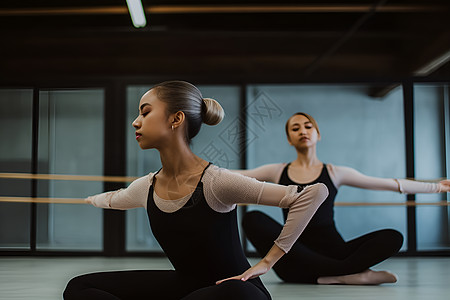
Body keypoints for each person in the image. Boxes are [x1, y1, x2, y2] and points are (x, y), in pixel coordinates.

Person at [63, 82, 328, 300]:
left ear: (176, 118)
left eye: (145, 112)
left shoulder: (217, 181)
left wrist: (266, 263)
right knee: (79, 287)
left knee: (237, 294)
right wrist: (91, 199)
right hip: (186, 287)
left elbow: (313, 194)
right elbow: (114, 199)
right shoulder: (146, 187)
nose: (135, 122)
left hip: (234, 291)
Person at [237, 112, 450, 285]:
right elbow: (236, 176)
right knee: (252, 218)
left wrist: (437, 187)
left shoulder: (335, 172)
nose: (303, 130)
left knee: (393, 237)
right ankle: (348, 274)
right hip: (294, 252)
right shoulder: (277, 171)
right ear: (289, 139)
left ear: (318, 134)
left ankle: (333, 274)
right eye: (295, 128)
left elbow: (389, 183)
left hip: (333, 251)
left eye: (308, 126)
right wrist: (204, 168)